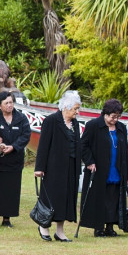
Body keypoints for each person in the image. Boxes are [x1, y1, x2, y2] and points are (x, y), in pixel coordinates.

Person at [33, 90, 83, 242]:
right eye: (75, 108)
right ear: (66, 107)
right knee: (51, 198)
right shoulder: (51, 121)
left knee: (67, 199)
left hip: (71, 167)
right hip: (53, 167)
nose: (77, 112)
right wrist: (39, 168)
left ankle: (60, 231)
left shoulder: (75, 123)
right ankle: (44, 227)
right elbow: (43, 146)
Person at [79, 99, 128, 237]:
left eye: (118, 116)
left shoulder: (121, 128)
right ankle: (98, 227)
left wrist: (127, 175)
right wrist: (89, 162)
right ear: (105, 113)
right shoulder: (93, 125)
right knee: (99, 198)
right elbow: (83, 145)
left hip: (116, 168)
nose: (115, 119)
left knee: (113, 198)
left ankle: (110, 226)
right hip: (99, 169)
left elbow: (125, 151)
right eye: (113, 116)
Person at [0, 91, 30, 227]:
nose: (9, 105)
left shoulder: (21, 118)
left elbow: (25, 136)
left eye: (11, 102)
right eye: (6, 103)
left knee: (11, 190)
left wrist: (13, 147)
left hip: (14, 160)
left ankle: (7, 218)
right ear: (0, 106)